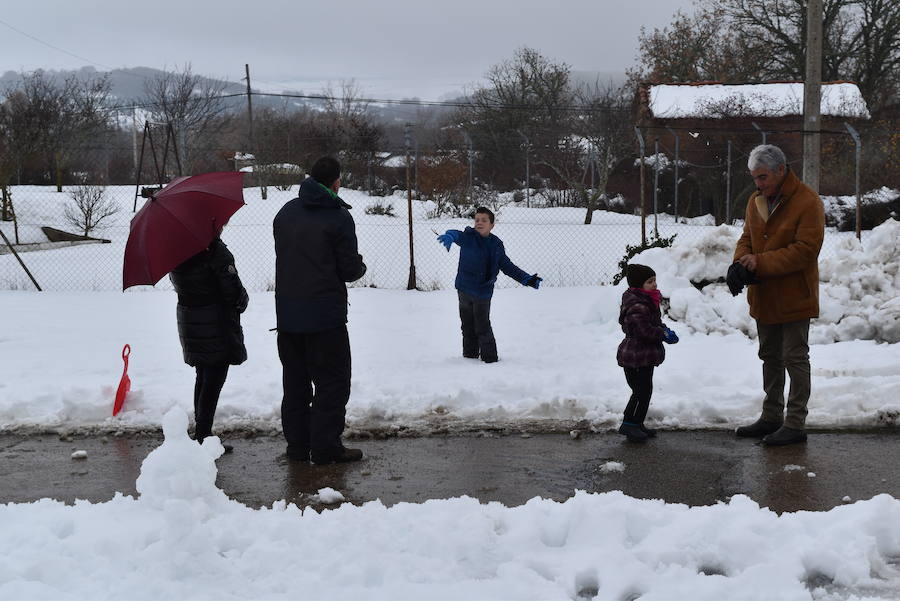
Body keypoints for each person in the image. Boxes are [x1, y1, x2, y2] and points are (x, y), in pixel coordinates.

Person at [273, 156, 367, 464]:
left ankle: (298, 447)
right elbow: (350, 270)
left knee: (295, 384)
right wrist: (360, 263)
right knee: (332, 383)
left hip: (287, 317)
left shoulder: (285, 213)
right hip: (325, 318)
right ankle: (326, 447)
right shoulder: (338, 217)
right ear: (336, 182)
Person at [733, 144, 825, 446]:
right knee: (769, 357)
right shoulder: (755, 200)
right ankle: (771, 417)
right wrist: (740, 263)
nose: (758, 184)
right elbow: (747, 236)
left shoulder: (807, 202)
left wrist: (760, 262)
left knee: (794, 358)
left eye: (763, 177)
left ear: (781, 170)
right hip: (764, 295)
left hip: (795, 295)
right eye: (755, 178)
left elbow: (806, 250)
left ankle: (795, 423)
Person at [169, 235, 249, 453]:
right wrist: (242, 299)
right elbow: (232, 291)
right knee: (213, 378)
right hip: (215, 321)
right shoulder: (214, 251)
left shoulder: (176, 250)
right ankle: (204, 436)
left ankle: (202, 432)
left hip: (191, 320)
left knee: (203, 375)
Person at [436, 207, 541, 363]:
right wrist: (449, 236)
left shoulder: (496, 245)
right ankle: (469, 357)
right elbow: (456, 233)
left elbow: (507, 266)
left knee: (482, 326)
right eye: (477, 220)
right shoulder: (468, 237)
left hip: (483, 293)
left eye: (484, 220)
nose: (479, 223)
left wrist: (526, 279)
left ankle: (490, 359)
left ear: (492, 224)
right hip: (464, 290)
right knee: (467, 326)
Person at [616, 264, 678, 443]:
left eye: (655, 280)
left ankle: (637, 423)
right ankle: (628, 423)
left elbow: (654, 323)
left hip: (645, 355)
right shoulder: (637, 304)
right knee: (640, 391)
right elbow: (643, 330)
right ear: (638, 285)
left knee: (645, 390)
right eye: (650, 281)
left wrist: (664, 329)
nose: (655, 284)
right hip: (635, 357)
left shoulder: (648, 300)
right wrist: (662, 335)